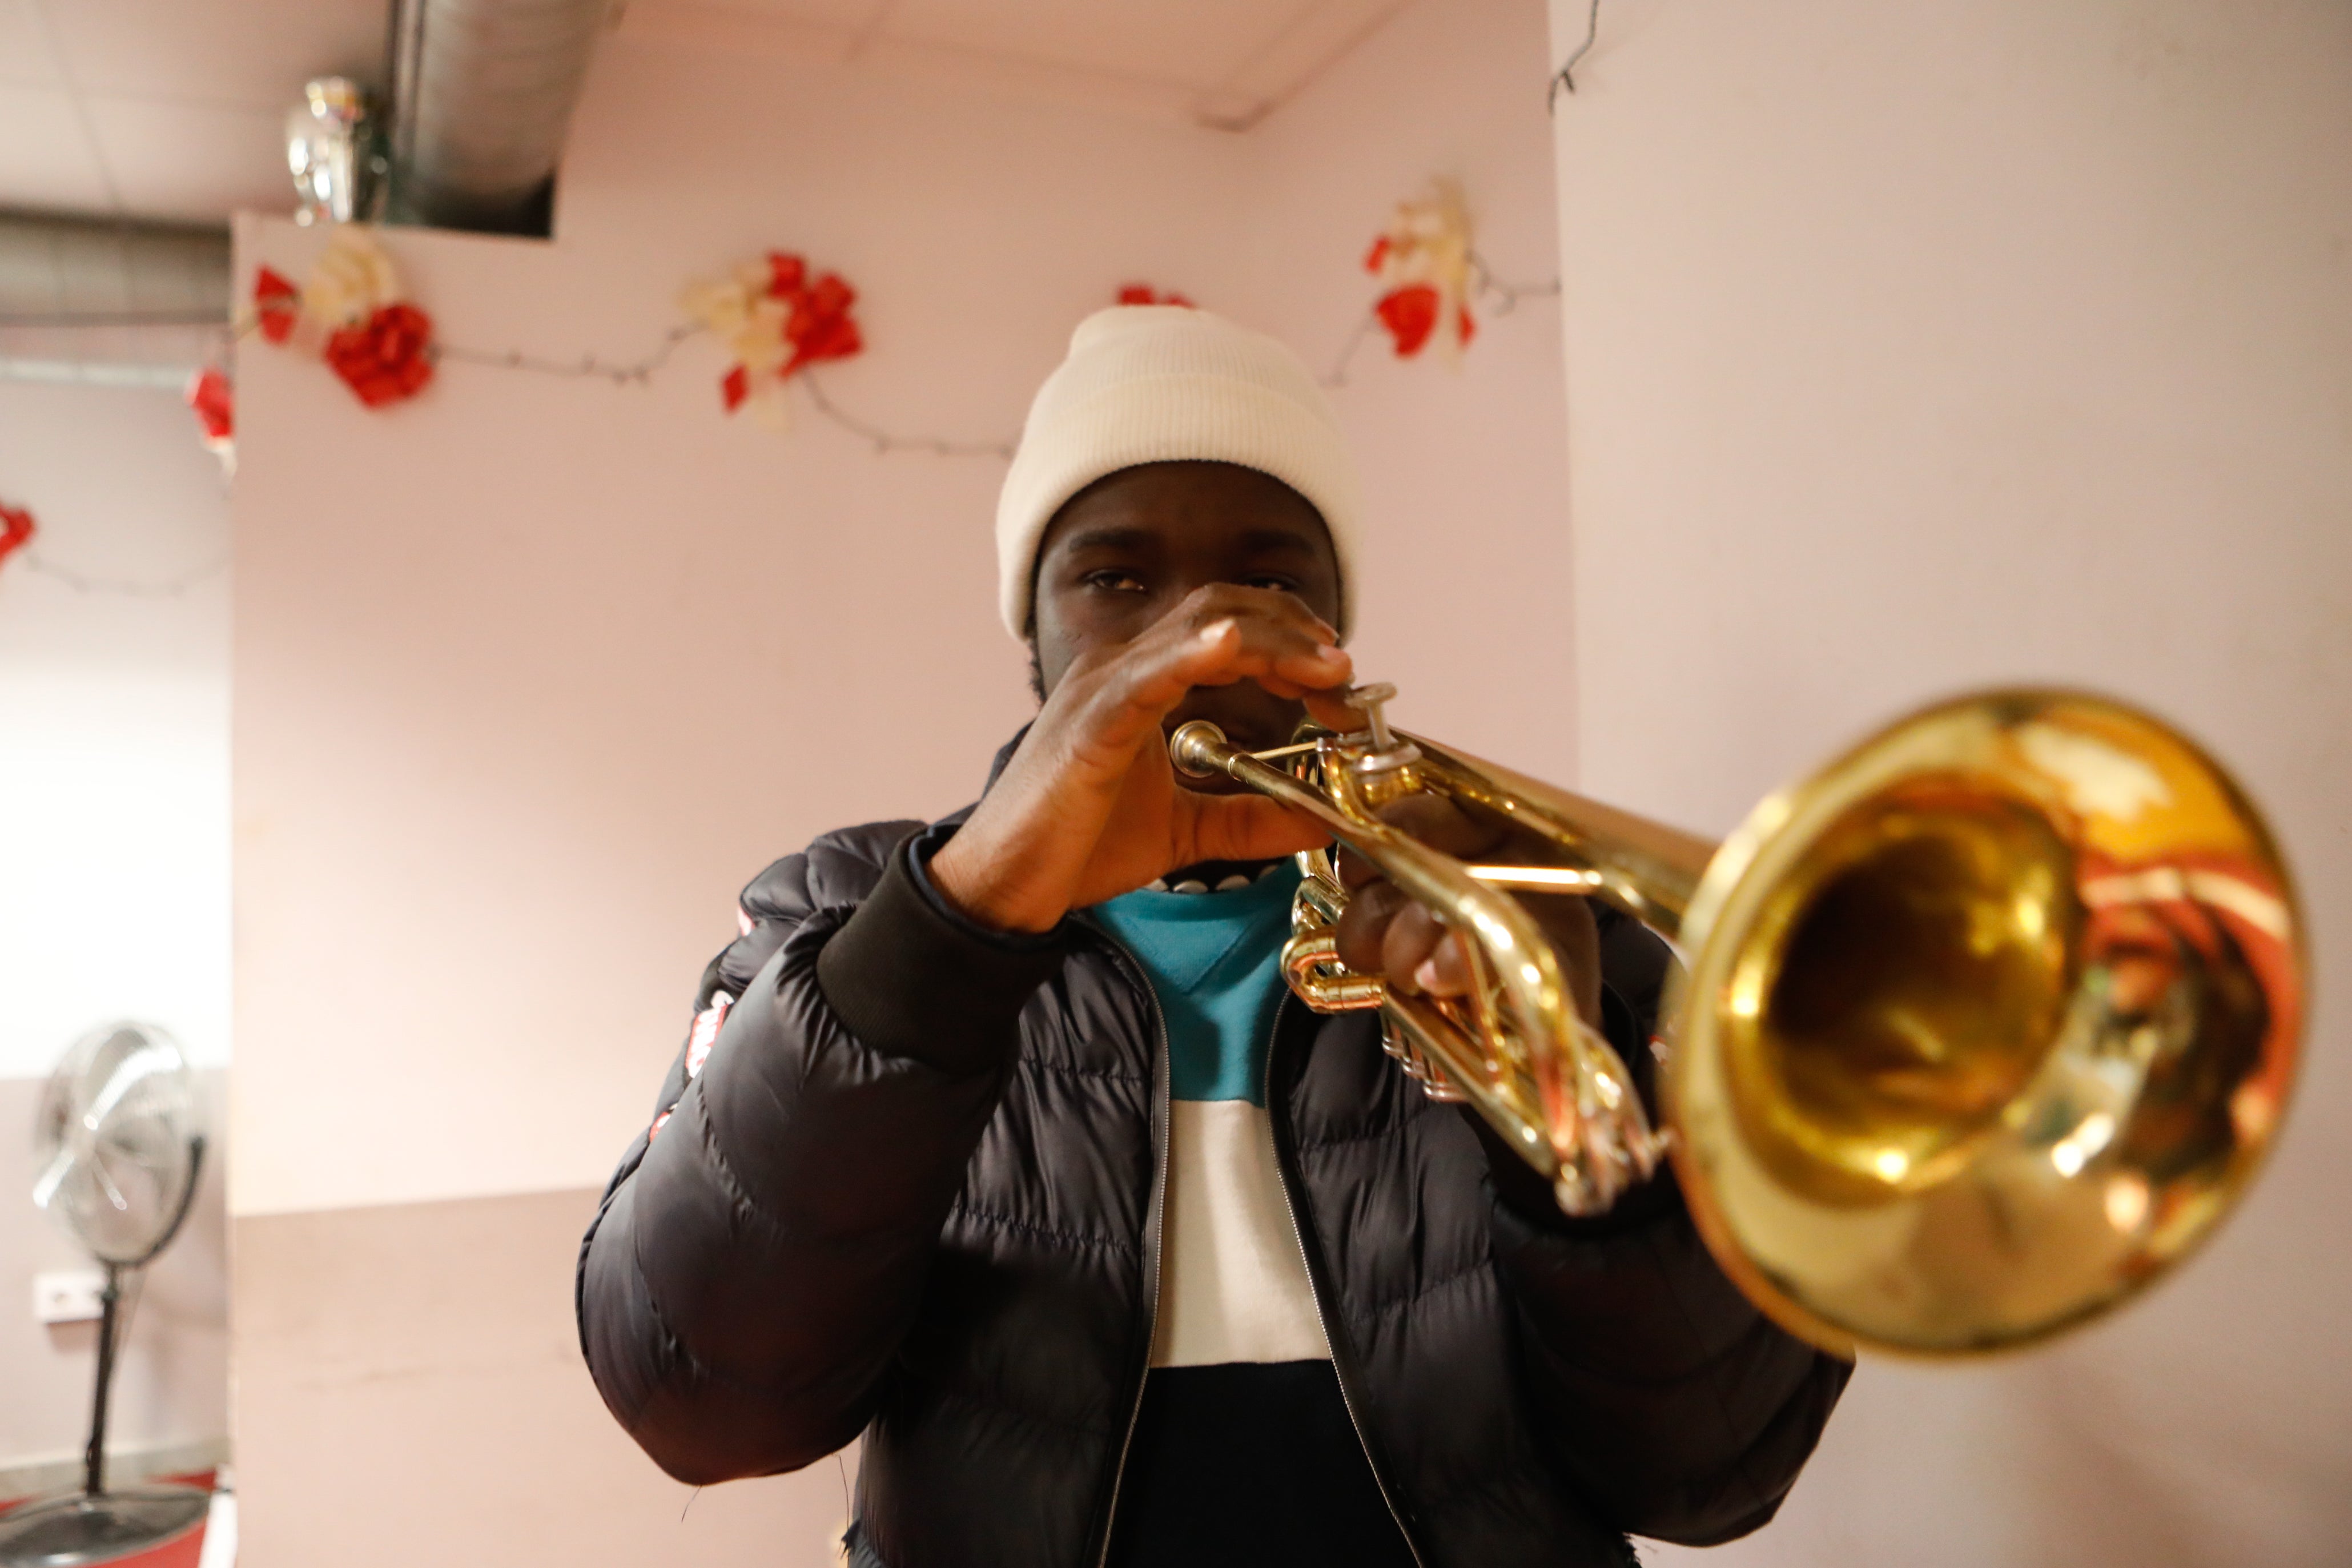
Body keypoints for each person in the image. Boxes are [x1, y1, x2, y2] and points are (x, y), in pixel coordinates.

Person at [577, 306, 1850, 1568]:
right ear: (1033, 635)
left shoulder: (1523, 904)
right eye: (1117, 577)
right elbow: (701, 1400)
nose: (1204, 635)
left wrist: (1567, 1098)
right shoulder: (845, 908)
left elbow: (1710, 1471)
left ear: (1338, 629)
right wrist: (953, 924)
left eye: (1272, 579)